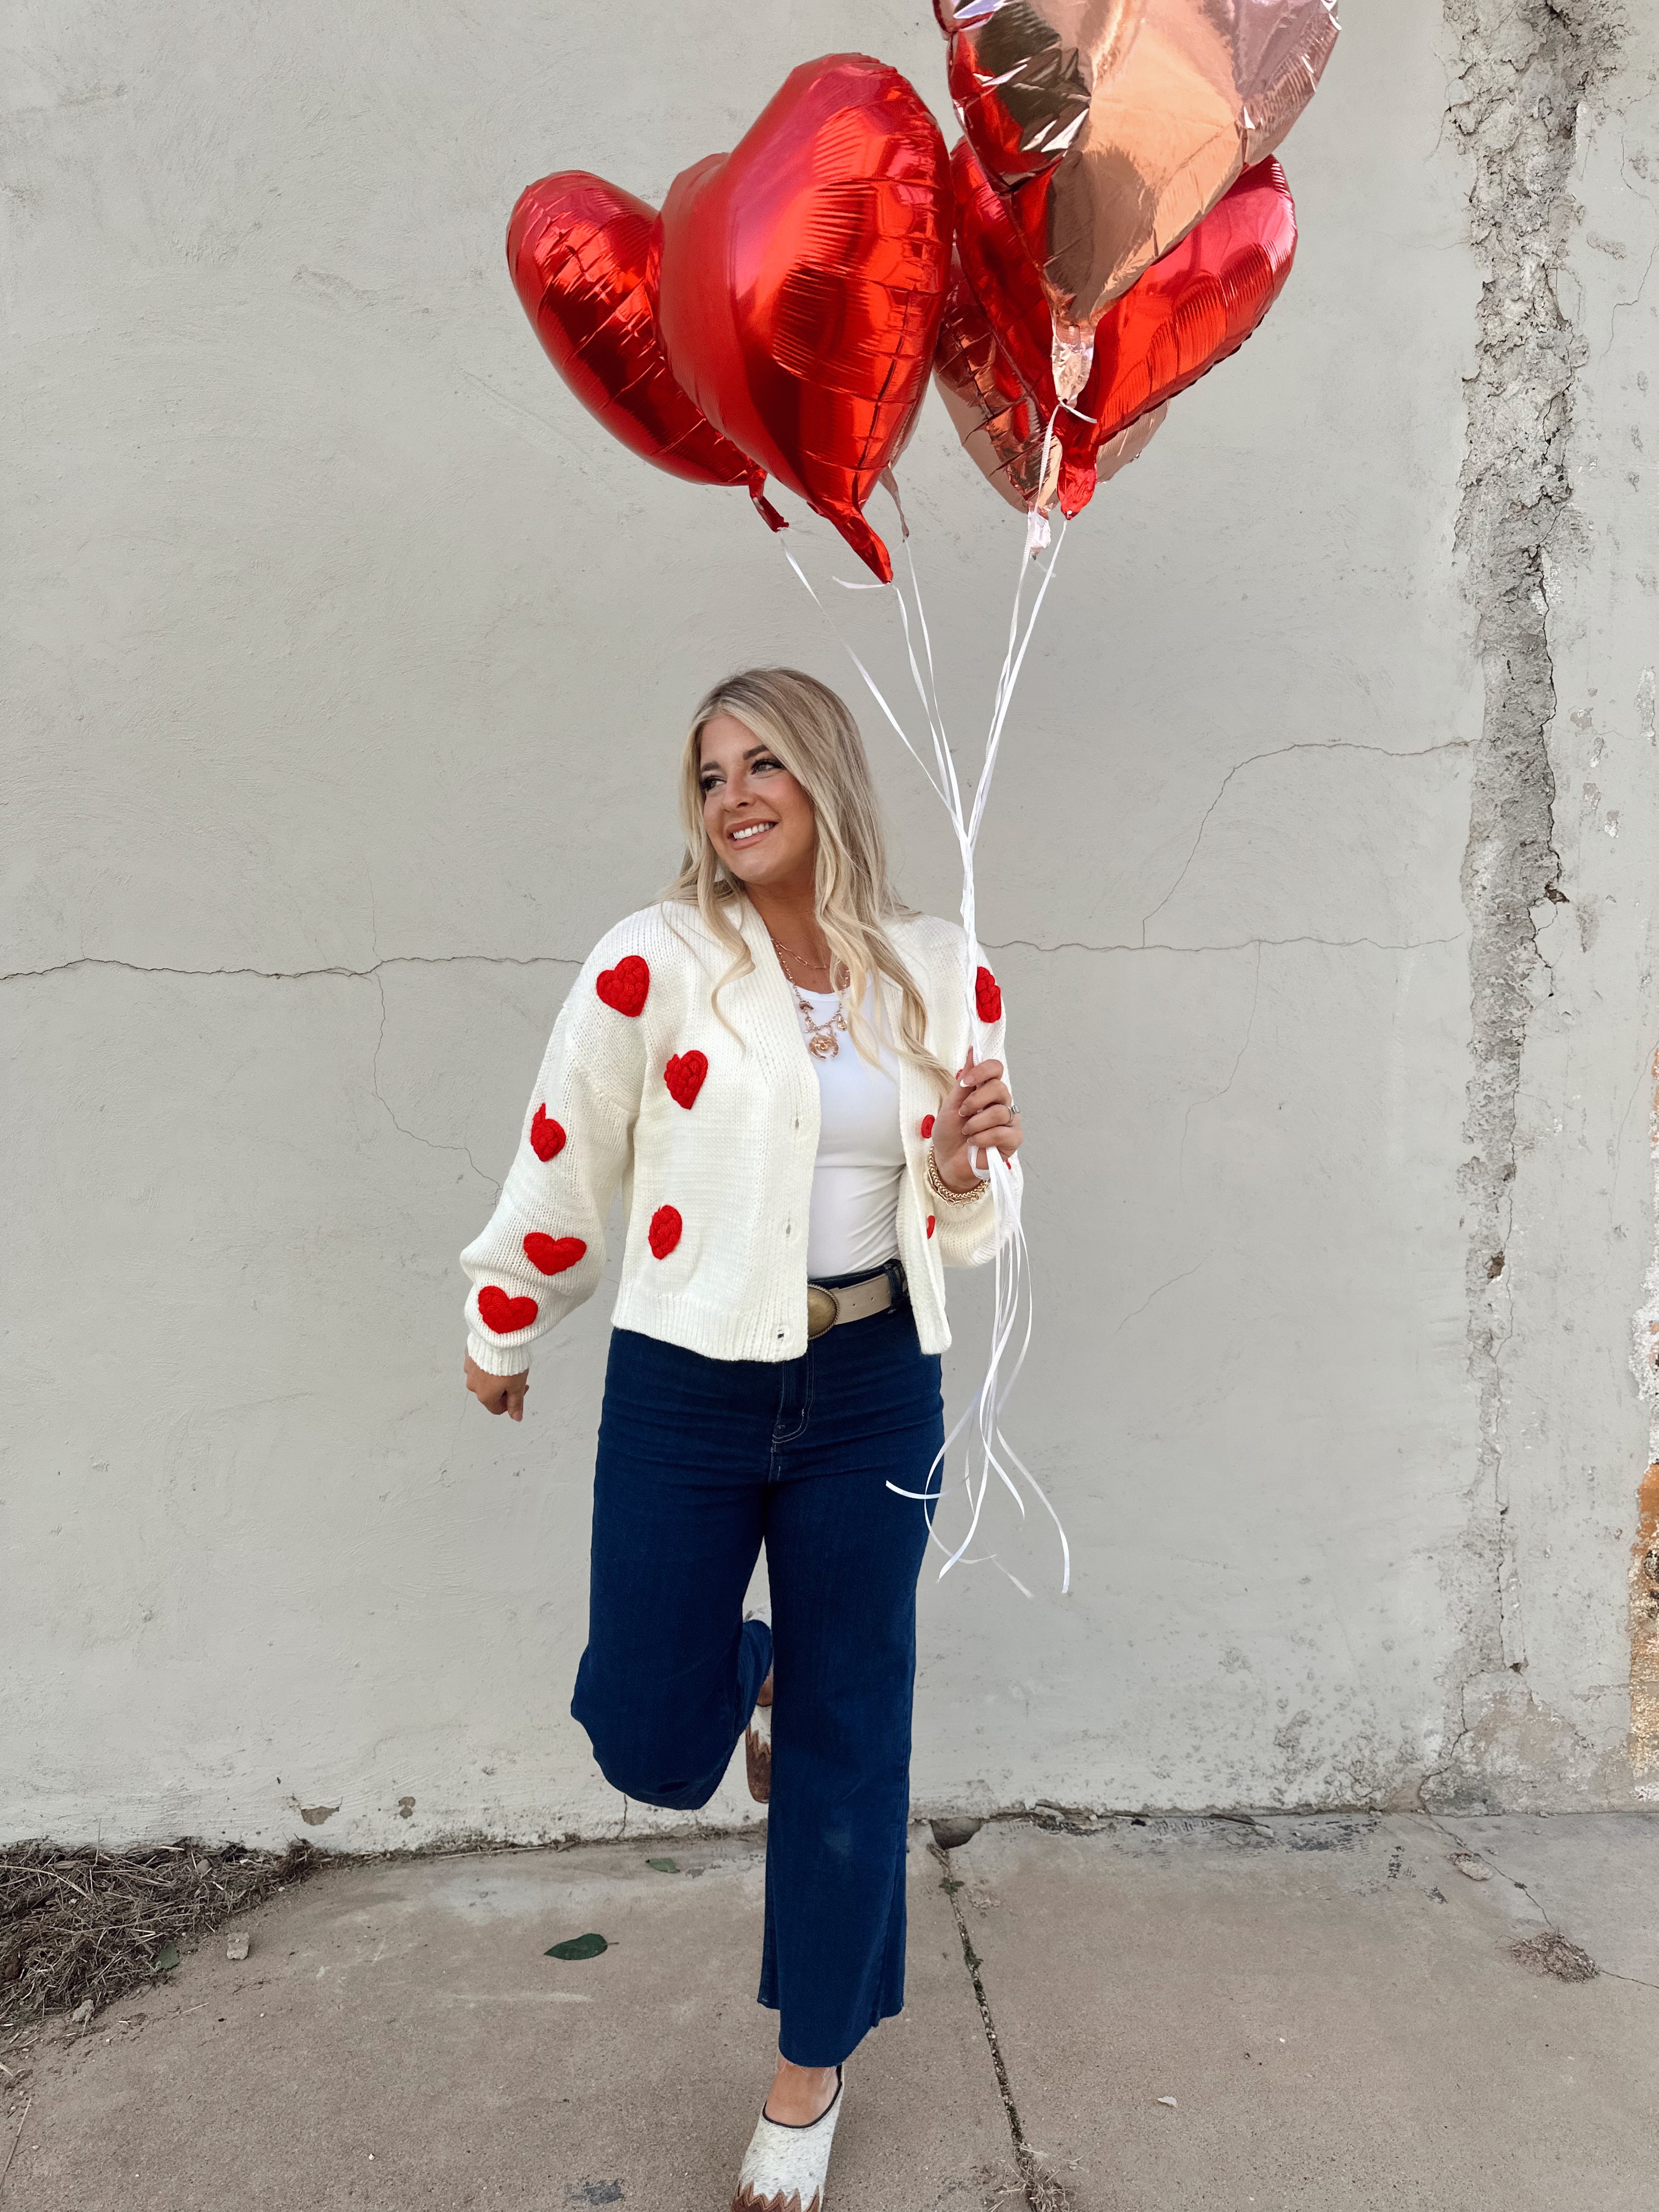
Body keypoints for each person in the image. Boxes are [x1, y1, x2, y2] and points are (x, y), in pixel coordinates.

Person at [460, 667, 1023, 2211]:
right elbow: (567, 1154)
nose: (735, 797)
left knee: (856, 1743)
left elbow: (970, 1228)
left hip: (871, 1388)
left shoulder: (937, 969)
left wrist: (969, 1174)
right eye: (710, 777)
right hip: (686, 1385)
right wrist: (504, 1319)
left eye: (764, 763)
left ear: (825, 776)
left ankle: (808, 2071)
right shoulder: (653, 963)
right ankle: (749, 1677)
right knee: (646, 1732)